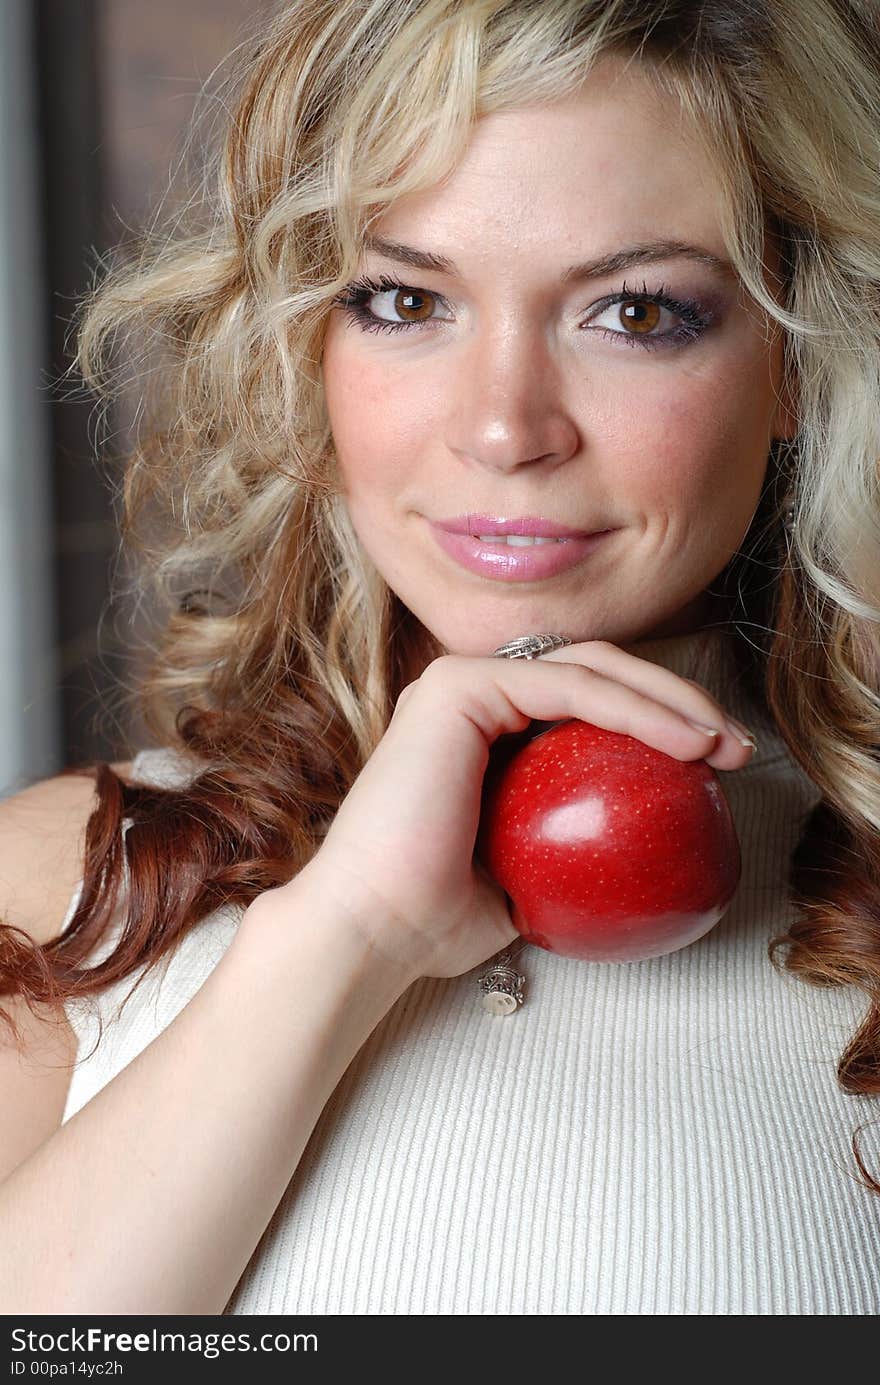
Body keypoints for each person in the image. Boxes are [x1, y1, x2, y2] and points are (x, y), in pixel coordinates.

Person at [1, 0, 879, 1316]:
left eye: (636, 312)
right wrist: (346, 935)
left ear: (796, 357)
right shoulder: (74, 888)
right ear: (309, 339)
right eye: (405, 299)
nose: (502, 427)